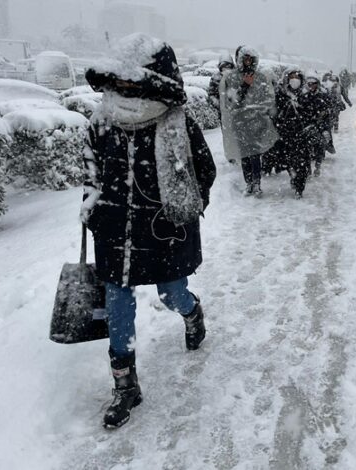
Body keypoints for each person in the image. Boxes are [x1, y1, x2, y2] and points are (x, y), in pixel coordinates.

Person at [81, 33, 216, 429]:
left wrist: (184, 210)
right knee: (118, 303)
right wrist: (92, 207)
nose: (122, 88)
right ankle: (125, 385)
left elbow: (203, 172)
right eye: (118, 81)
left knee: (171, 293)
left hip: (162, 230)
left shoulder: (176, 122)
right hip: (115, 230)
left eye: (131, 81)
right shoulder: (101, 120)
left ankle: (192, 313)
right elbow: (91, 171)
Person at [219, 45, 278, 197]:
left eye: (250, 59)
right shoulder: (231, 77)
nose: (247, 61)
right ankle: (249, 183)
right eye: (245, 58)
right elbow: (232, 102)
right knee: (244, 154)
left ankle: (257, 183)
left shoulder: (261, 77)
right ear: (239, 59)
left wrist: (262, 112)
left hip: (257, 122)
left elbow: (267, 99)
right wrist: (244, 86)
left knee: (255, 154)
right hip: (239, 122)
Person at [274, 67, 311, 198]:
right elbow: (276, 114)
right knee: (288, 161)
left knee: (302, 163)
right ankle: (293, 175)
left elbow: (310, 115)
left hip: (302, 135)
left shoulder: (306, 95)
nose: (294, 80)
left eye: (297, 77)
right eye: (291, 78)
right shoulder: (281, 94)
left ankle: (299, 188)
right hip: (286, 135)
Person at [300, 74, 332, 177]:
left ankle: (318, 166)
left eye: (313, 84)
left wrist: (325, 128)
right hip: (308, 127)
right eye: (309, 84)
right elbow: (301, 113)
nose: (311, 86)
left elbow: (327, 113)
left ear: (317, 84)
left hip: (320, 126)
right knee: (306, 150)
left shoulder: (323, 96)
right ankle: (307, 169)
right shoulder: (304, 97)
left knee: (320, 148)